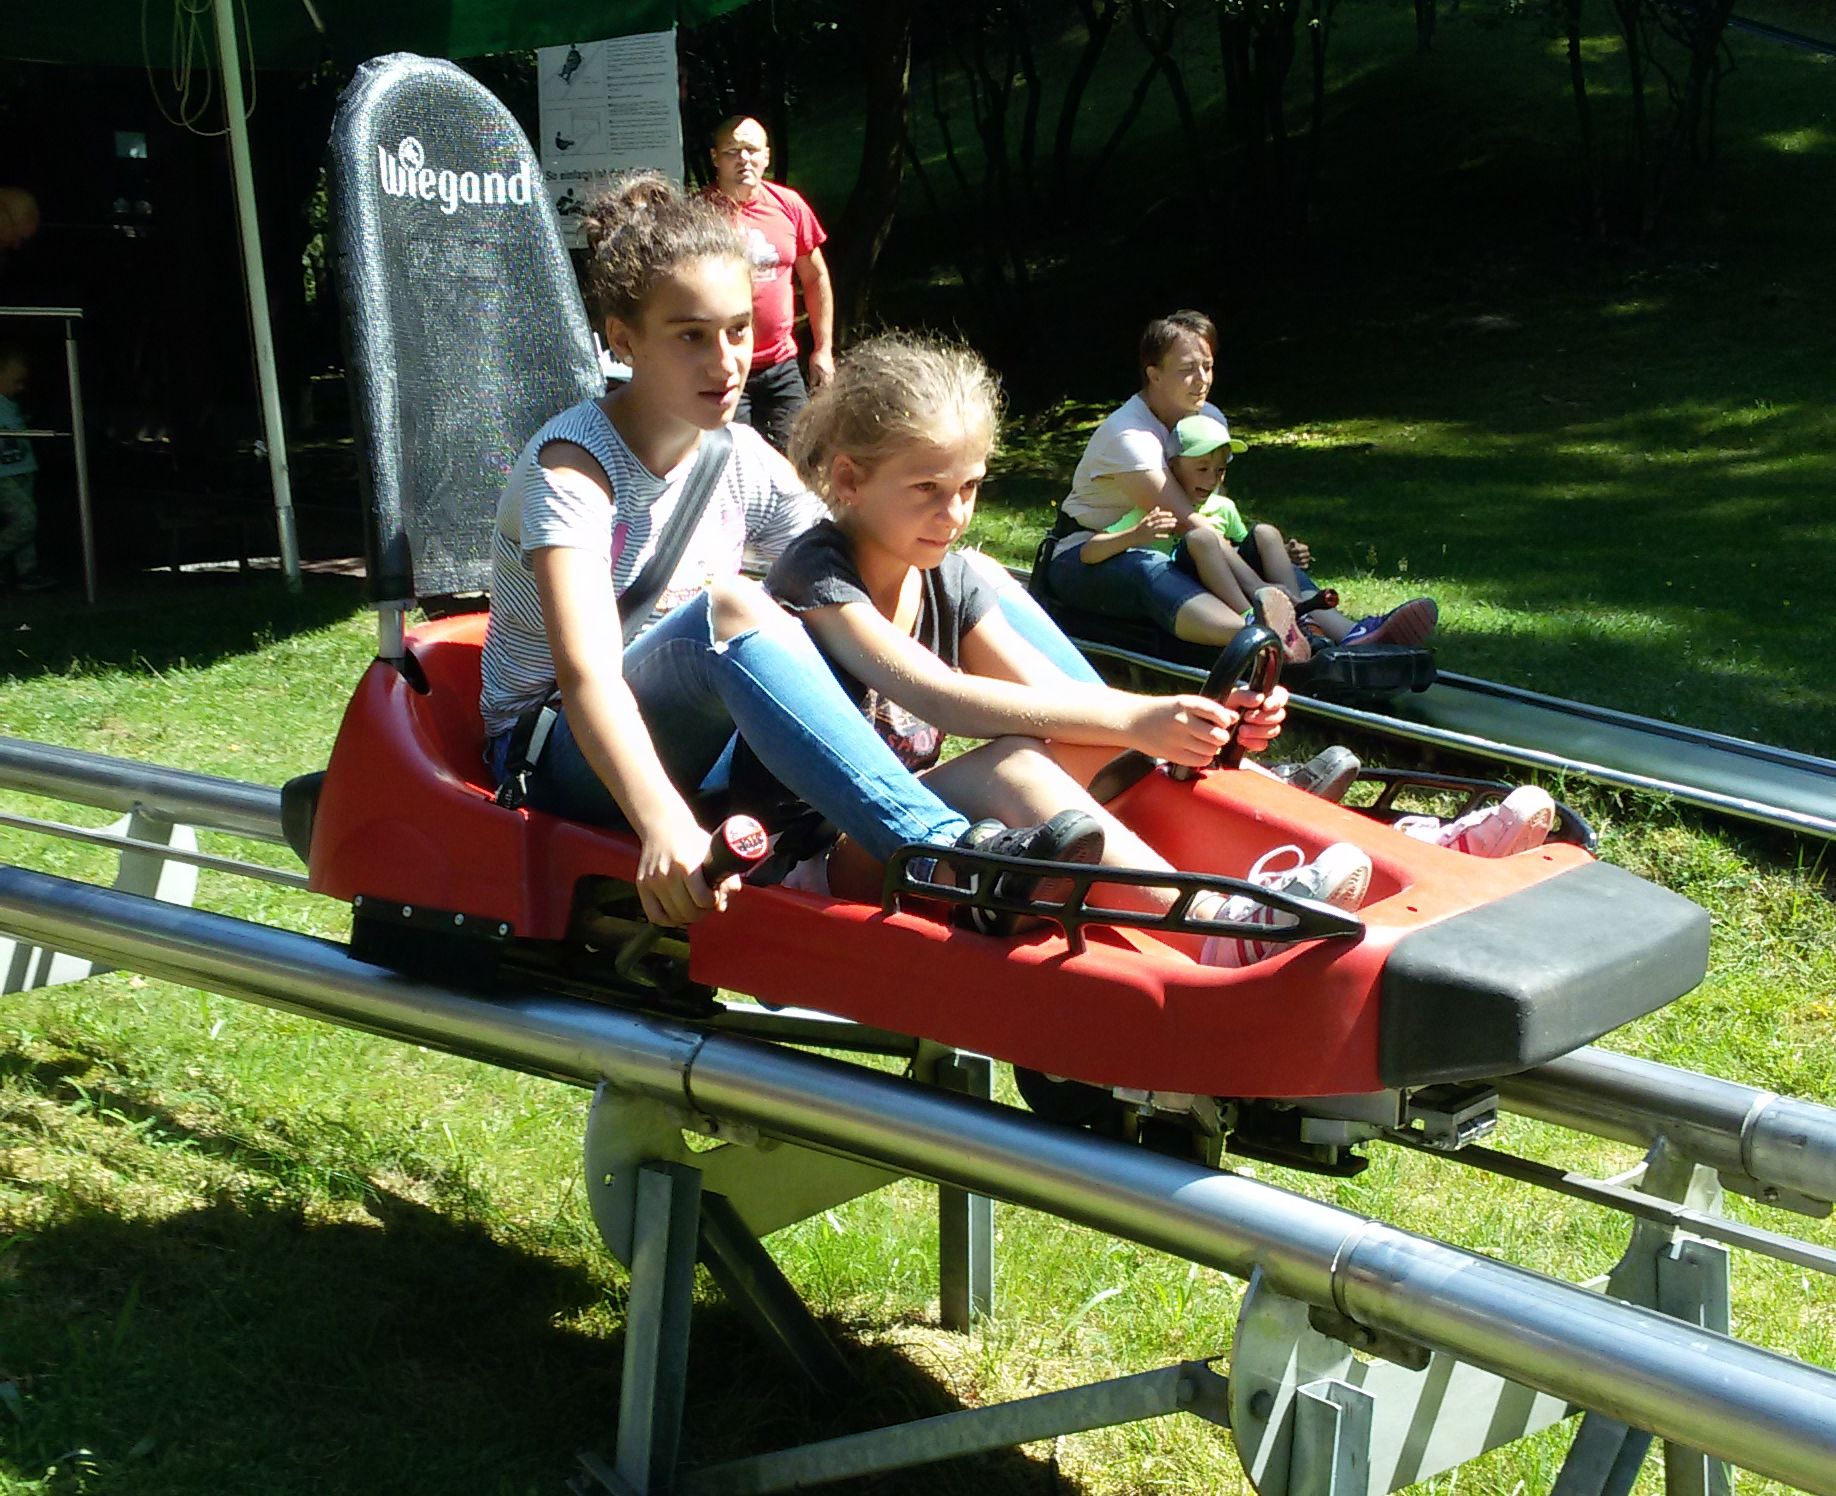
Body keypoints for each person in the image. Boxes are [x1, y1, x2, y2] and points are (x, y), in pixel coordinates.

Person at [477, 172, 1096, 934]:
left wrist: (935, 542)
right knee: (733, 606)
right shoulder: (572, 472)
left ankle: (1150, 762)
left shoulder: (737, 454)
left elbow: (853, 553)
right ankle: (940, 856)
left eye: (739, 330)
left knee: (967, 569)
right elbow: (587, 679)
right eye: (691, 336)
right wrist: (664, 825)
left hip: (704, 737)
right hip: (567, 757)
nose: (726, 361)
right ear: (624, 338)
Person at [768, 331, 1377, 967]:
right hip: (819, 851)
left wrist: (1198, 726)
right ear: (849, 480)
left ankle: (1330, 833)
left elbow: (1053, 696)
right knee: (1016, 764)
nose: (955, 515)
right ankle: (1213, 929)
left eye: (970, 487)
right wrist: (1142, 721)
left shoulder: (943, 573)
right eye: (927, 488)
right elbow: (941, 698)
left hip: (915, 831)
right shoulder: (818, 575)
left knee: (1091, 737)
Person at [1045, 310, 1430, 657]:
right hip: (1087, 554)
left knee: (1257, 544)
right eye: (1187, 370)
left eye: (1207, 367)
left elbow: (1211, 509)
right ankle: (1263, 636)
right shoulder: (1129, 436)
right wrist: (1261, 586)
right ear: (1153, 374)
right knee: (1150, 570)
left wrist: (1265, 555)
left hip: (1179, 544)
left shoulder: (1207, 419)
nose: (1202, 381)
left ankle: (1348, 634)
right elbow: (1183, 518)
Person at [1162, 413, 1437, 650]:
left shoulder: (1223, 507)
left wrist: (1281, 555)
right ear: (1173, 467)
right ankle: (1253, 619)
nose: (1212, 479)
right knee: (1203, 536)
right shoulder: (1161, 503)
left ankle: (1301, 619)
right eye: (1201, 469)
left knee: (1267, 532)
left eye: (1220, 471)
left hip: (1232, 578)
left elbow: (1240, 548)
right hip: (1192, 579)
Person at [700, 116, 833, 451]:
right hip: (723, 367)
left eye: (751, 150)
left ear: (766, 157)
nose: (743, 159)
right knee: (731, 465)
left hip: (781, 365)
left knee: (799, 462)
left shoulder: (789, 206)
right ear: (716, 158)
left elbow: (815, 277)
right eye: (732, 151)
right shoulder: (698, 215)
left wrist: (823, 349)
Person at [0, 343, 53, 592]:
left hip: (23, 468)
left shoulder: (12, 404)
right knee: (25, 520)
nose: (20, 387)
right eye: (16, 381)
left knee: (26, 518)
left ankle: (27, 571)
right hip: (3, 475)